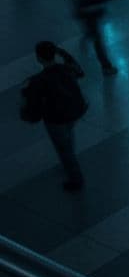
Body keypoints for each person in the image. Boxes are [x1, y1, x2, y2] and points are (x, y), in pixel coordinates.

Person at [20, 42, 86, 191]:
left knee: (63, 148)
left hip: (55, 119)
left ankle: (75, 179)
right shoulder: (67, 69)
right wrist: (62, 52)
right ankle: (70, 157)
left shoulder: (38, 81)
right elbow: (80, 71)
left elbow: (31, 106)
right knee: (68, 135)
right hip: (74, 111)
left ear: (38, 58)